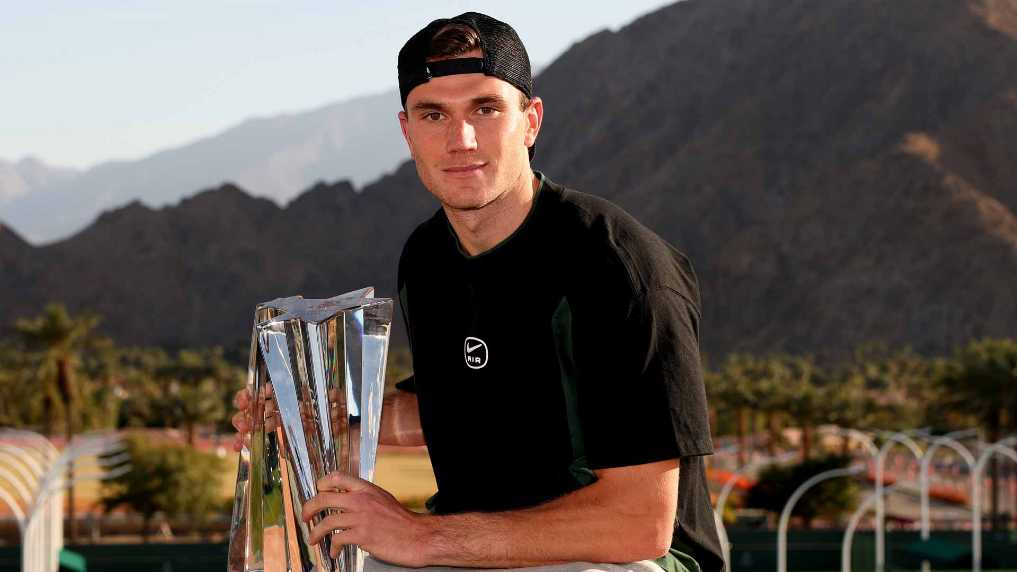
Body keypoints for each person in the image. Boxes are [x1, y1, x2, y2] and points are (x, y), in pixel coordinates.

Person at [233, 12, 723, 572]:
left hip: (625, 560)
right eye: (434, 114)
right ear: (407, 132)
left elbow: (639, 524)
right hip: (475, 546)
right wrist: (316, 421)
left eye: (485, 109)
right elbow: (461, 406)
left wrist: (422, 536)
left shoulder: (618, 264)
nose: (460, 140)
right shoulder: (427, 257)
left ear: (530, 121)